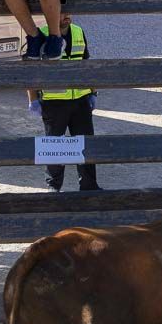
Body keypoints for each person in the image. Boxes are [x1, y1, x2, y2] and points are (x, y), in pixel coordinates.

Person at [26, 12, 100, 192]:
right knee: (54, 148)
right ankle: (54, 186)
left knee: (85, 145)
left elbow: (86, 64)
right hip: (54, 102)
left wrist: (93, 91)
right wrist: (33, 99)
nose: (66, 16)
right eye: (60, 13)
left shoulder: (78, 31)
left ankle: (89, 186)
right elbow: (30, 71)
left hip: (81, 101)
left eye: (68, 12)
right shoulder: (40, 35)